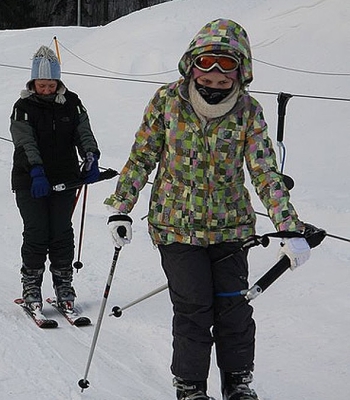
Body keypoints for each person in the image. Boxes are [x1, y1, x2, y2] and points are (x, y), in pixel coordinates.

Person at [104, 19, 312, 400]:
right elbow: (141, 158)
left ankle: (238, 384)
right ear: (192, 64)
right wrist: (121, 206)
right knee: (194, 308)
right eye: (207, 69)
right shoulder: (167, 101)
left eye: (225, 72)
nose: (214, 80)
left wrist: (289, 226)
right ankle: (191, 386)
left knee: (234, 310)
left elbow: (264, 171)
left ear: (241, 72)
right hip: (175, 227)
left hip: (231, 228)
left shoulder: (248, 111)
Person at [9, 45, 101, 312]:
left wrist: (91, 155)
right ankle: (31, 285)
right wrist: (36, 170)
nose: (46, 90)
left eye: (51, 85)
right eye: (41, 85)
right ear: (33, 82)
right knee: (37, 231)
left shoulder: (71, 103)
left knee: (61, 232)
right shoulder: (23, 107)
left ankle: (63, 284)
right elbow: (24, 141)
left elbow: (83, 131)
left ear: (58, 82)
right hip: (31, 180)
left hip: (65, 177)